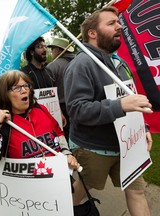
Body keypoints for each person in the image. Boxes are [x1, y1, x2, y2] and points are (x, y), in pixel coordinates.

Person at [63, 7, 153, 215]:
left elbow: (130, 98)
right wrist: (119, 106)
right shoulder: (81, 64)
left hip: (128, 144)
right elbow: (77, 110)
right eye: (111, 23)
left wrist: (143, 127)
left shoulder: (118, 63)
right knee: (81, 193)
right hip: (94, 149)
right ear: (92, 33)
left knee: (137, 192)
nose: (119, 26)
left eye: (118, 22)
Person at [0, 70, 79, 171]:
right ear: (4, 94)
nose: (24, 90)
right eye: (17, 88)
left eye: (26, 86)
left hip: (58, 176)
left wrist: (67, 153)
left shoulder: (41, 109)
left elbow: (58, 132)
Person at [47, 37, 75, 141]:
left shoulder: (53, 66)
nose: (51, 51)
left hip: (61, 109)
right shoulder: (79, 62)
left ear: (58, 50)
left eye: (52, 48)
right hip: (79, 106)